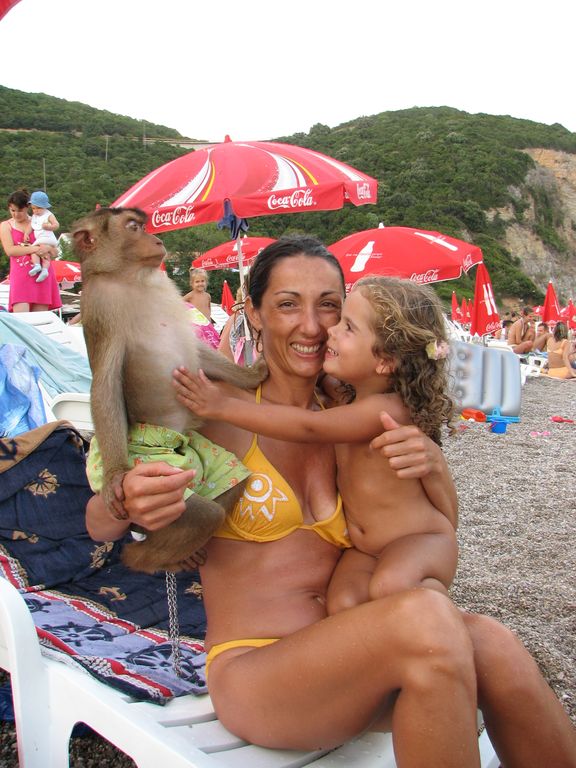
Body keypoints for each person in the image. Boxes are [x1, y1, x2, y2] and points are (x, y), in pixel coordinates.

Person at [86, 237, 576, 767]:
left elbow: (437, 526)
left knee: (496, 645)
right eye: (287, 304)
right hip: (261, 676)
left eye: (329, 306)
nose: (313, 326)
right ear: (253, 312)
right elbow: (97, 526)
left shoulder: (354, 416)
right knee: (428, 622)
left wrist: (434, 463)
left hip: (361, 660)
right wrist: (126, 501)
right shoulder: (217, 409)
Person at [176, 276, 458, 611]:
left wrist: (223, 406)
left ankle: (444, 624)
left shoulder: (388, 411)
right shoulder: (349, 398)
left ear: (385, 361)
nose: (331, 331)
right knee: (341, 604)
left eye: (348, 327)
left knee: (391, 586)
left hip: (419, 540)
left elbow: (309, 427)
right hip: (366, 550)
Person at [0, 190, 62, 313]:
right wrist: (36, 249)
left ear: (28, 207)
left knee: (39, 320)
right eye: (13, 210)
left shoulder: (40, 221)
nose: (16, 214)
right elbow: (10, 250)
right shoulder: (6, 225)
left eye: (20, 211)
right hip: (20, 276)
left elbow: (55, 252)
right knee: (21, 319)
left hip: (42, 275)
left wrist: (48, 249)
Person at [28, 190, 59, 283]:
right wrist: (26, 233)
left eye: (38, 208)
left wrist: (49, 227)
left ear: (45, 207)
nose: (36, 211)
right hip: (42, 239)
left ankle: (38, 265)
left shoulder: (48, 215)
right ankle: (43, 269)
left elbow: (56, 225)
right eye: (33, 208)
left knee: (34, 250)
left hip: (47, 238)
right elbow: (31, 226)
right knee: (43, 253)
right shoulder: (34, 216)